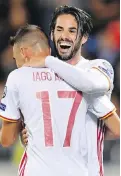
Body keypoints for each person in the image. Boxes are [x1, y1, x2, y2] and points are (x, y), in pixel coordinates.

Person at [0, 24, 119, 176]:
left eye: (15, 58)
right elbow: (116, 128)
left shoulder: (18, 77)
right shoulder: (80, 77)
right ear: (49, 51)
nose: (16, 64)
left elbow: (7, 139)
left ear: (24, 53)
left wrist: (23, 129)